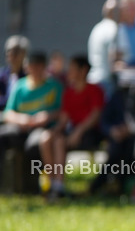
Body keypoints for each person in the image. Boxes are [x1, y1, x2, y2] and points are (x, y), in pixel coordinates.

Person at [1, 51, 65, 198]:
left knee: (34, 146)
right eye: (31, 66)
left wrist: (47, 116)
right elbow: (8, 113)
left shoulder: (54, 86)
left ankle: (40, 185)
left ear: (44, 67)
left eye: (38, 66)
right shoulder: (20, 86)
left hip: (43, 129)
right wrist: (21, 119)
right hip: (20, 127)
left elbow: (63, 112)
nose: (34, 70)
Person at [60, 55, 105, 152]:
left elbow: (95, 116)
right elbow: (64, 118)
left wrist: (79, 131)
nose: (69, 72)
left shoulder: (95, 90)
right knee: (57, 141)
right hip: (73, 129)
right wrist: (53, 132)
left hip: (91, 132)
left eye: (72, 68)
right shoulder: (68, 93)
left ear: (84, 70)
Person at [87, 0, 127, 97]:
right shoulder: (113, 28)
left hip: (92, 79)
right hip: (106, 82)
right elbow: (113, 55)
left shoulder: (97, 28)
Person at [1, 35, 30, 109]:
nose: (11, 54)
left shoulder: (29, 76)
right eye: (8, 51)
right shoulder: (2, 75)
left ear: (24, 54)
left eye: (16, 51)